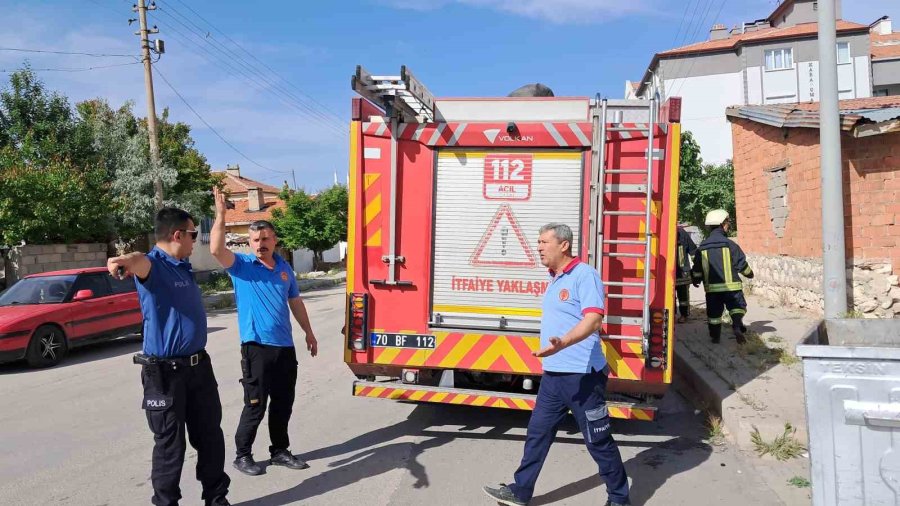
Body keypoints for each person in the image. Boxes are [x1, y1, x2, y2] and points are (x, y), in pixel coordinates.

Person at [483, 223, 630, 506]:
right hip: (553, 377)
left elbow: (593, 319)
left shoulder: (584, 275)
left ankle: (620, 499)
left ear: (563, 245)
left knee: (598, 442)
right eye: (538, 242)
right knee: (537, 434)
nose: (538, 247)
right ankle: (520, 491)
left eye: (543, 242)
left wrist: (563, 342)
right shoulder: (556, 278)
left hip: (583, 379)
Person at [108, 208, 230, 506]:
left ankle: (216, 499)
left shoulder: (182, 265)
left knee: (210, 437)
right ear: (177, 235)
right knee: (170, 445)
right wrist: (124, 260)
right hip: (165, 374)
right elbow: (138, 260)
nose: (194, 240)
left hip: (199, 368)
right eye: (192, 234)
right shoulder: (154, 265)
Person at [209, 187, 318, 477]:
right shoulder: (242, 266)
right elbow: (216, 250)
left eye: (266, 238)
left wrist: (308, 332)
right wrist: (220, 215)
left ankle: (279, 451)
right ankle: (242, 455)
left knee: (283, 402)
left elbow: (295, 302)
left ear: (275, 240)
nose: (261, 244)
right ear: (249, 242)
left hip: (285, 347)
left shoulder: (284, 268)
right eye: (255, 240)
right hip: (256, 347)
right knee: (255, 405)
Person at [691, 209, 754, 345]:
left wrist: (695, 280)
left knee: (714, 315)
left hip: (712, 291)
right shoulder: (730, 245)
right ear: (722, 224)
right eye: (727, 222)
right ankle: (737, 326)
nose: (728, 225)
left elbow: (696, 270)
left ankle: (715, 337)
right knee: (737, 307)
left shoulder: (701, 248)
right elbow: (742, 265)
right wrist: (750, 274)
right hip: (733, 289)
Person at [675, 224, 698, 323]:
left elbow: (693, 251)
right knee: (677, 295)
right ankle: (675, 314)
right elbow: (693, 251)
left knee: (683, 296)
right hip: (677, 271)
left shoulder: (682, 233)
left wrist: (696, 268)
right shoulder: (681, 232)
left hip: (682, 271)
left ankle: (683, 315)